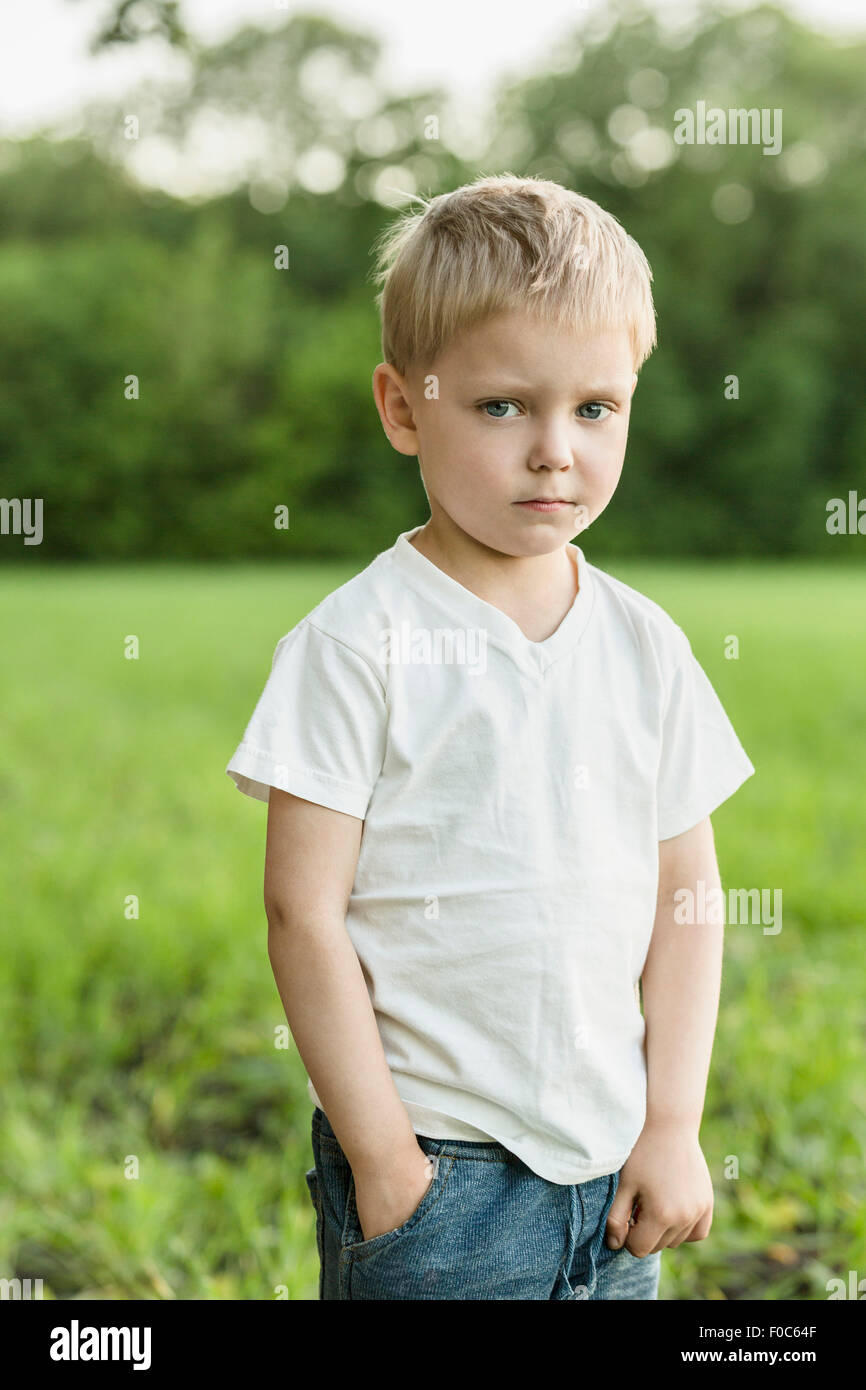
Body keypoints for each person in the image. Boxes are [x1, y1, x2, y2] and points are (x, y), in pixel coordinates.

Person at [226, 173, 755, 1300]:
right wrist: (384, 1163)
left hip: (612, 1173)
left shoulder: (642, 645)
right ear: (403, 406)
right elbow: (300, 913)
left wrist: (670, 1122)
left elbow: (686, 896)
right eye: (503, 406)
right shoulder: (356, 642)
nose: (554, 449)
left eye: (594, 409)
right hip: (443, 1176)